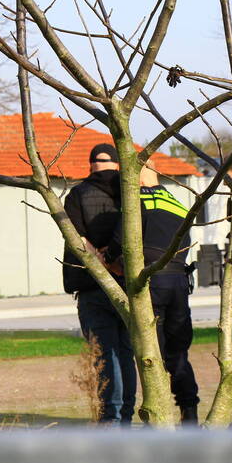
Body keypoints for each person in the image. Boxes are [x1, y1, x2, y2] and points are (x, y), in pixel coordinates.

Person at [105, 160, 200, 426]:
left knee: (151, 353)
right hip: (179, 283)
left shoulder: (137, 201)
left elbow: (119, 240)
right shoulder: (177, 203)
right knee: (178, 353)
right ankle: (189, 412)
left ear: (138, 177)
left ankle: (158, 417)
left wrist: (107, 258)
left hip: (151, 284)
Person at [63, 143, 136, 426]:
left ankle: (110, 418)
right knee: (126, 353)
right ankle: (126, 415)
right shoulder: (130, 193)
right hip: (128, 284)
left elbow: (77, 239)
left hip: (92, 283)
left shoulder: (78, 194)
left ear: (90, 164)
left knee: (105, 354)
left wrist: (100, 263)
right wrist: (115, 263)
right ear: (117, 163)